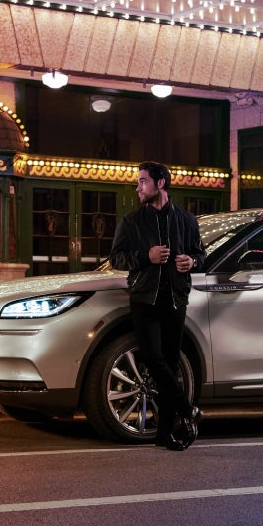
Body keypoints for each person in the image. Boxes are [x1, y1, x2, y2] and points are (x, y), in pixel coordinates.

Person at [109, 161, 205, 450]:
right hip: (144, 299)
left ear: (160, 184)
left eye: (143, 181)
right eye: (138, 182)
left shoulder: (187, 221)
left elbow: (200, 255)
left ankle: (165, 434)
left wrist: (192, 262)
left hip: (176, 300)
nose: (138, 186)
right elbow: (116, 259)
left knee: (171, 364)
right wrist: (144, 256)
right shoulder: (131, 221)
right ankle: (188, 410)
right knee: (152, 358)